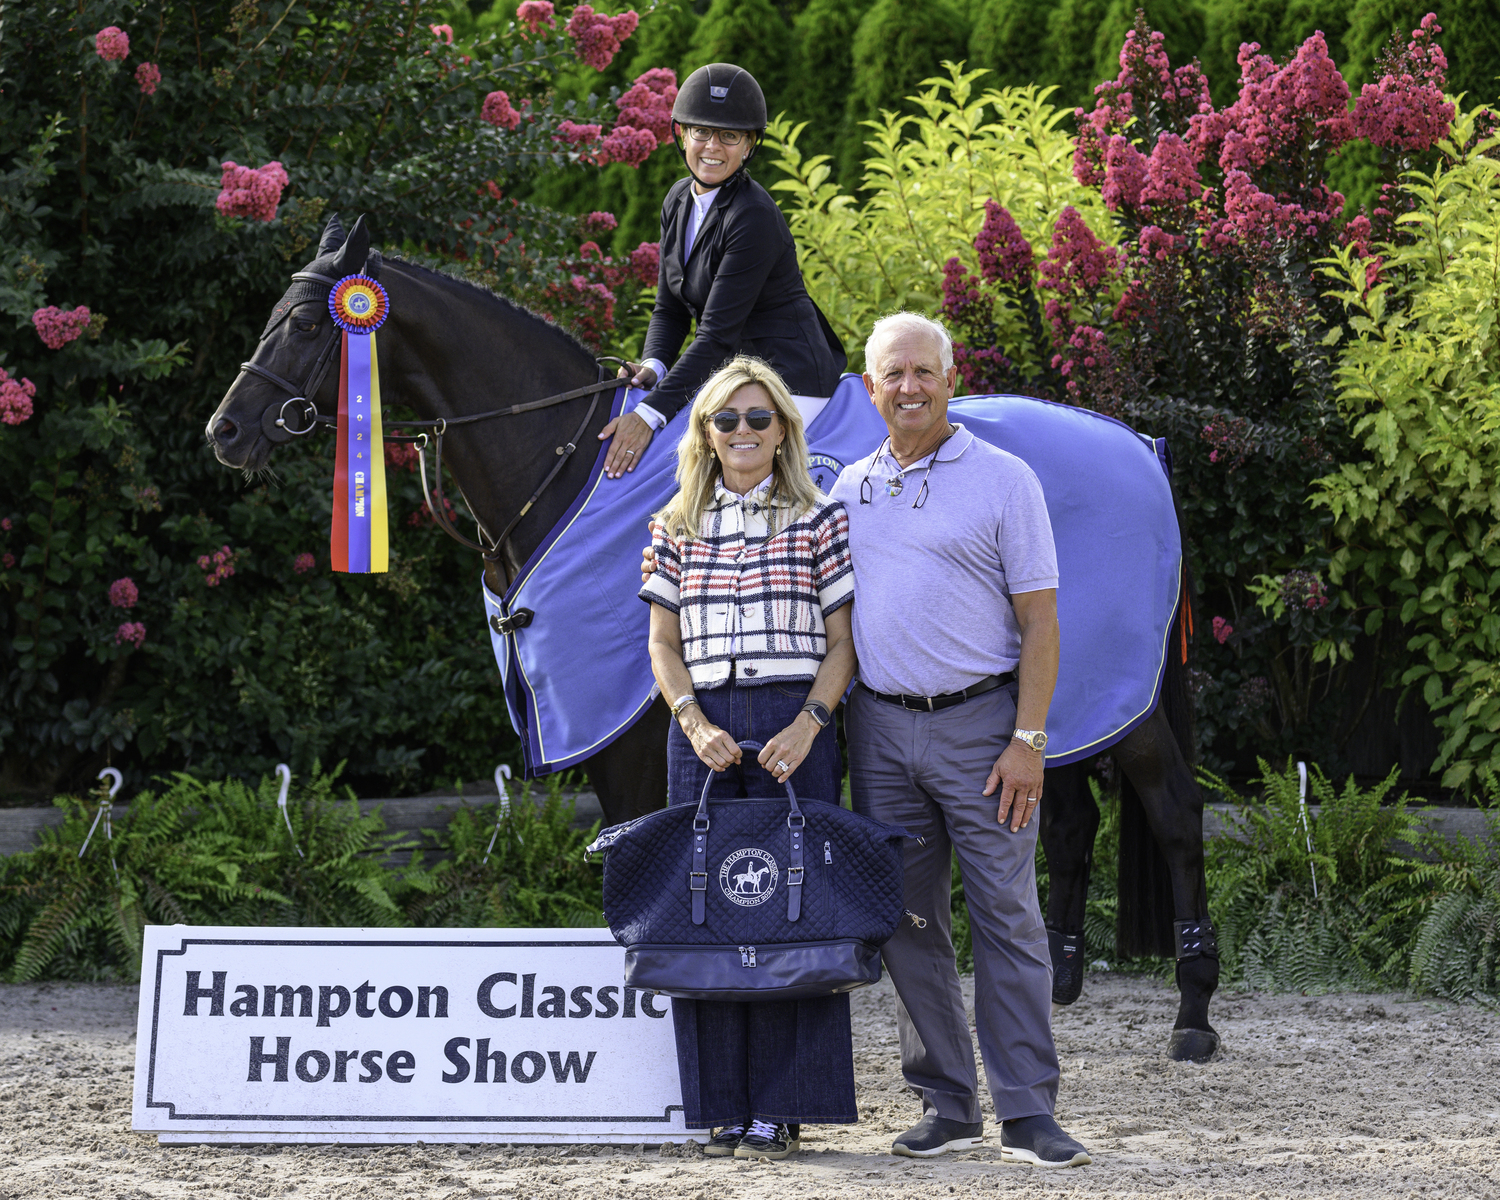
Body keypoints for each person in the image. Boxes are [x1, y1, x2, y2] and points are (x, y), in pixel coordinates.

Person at [641, 313, 1091, 1168]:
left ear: (950, 378)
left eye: (925, 372)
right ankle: (947, 1104)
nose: (910, 388)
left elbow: (1041, 621)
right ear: (872, 388)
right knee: (905, 921)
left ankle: (1028, 1111)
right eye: (894, 376)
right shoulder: (849, 492)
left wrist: (1029, 735)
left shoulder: (1005, 480)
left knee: (1006, 915)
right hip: (881, 729)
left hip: (980, 724)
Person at [639, 354, 857, 1160]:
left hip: (794, 715)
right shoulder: (672, 524)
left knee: (794, 909)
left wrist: (809, 723)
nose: (742, 432)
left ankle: (785, 1105)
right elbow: (662, 644)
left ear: (782, 431)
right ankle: (721, 1105)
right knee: (706, 913)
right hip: (702, 725)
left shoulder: (819, 517)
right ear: (704, 432)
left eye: (758, 419)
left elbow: (843, 646)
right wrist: (693, 723)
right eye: (726, 419)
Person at [597, 63, 845, 479]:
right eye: (701, 132)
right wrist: (653, 366)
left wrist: (648, 415)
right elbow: (669, 308)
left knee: (718, 471)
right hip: (733, 372)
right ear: (682, 134)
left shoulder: (753, 216)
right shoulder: (677, 200)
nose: (712, 146)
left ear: (749, 145)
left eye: (729, 136)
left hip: (788, 377)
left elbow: (715, 335)